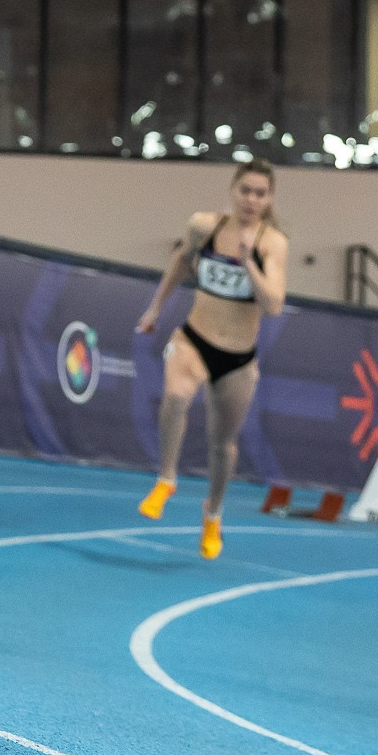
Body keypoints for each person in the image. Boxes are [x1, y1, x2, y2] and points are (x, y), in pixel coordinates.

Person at [132, 161, 290, 560]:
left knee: (223, 444)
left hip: (236, 358)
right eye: (245, 190)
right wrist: (155, 309)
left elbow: (273, 305)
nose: (251, 199)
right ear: (233, 190)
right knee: (176, 396)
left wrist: (247, 261)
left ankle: (213, 514)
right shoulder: (205, 225)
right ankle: (166, 479)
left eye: (260, 193)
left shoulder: (273, 243)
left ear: (269, 198)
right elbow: (181, 262)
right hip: (194, 338)